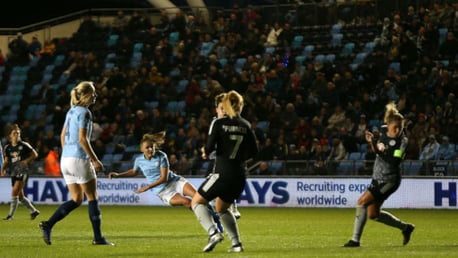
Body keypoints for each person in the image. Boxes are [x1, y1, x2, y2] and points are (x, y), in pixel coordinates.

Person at [39, 81, 113, 246]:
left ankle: (48, 224)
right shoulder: (85, 113)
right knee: (92, 196)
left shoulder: (71, 111)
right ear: (86, 95)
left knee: (77, 198)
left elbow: (62, 135)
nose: (95, 95)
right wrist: (94, 160)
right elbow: (82, 139)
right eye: (93, 93)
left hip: (65, 160)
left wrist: (67, 155)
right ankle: (98, 238)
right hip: (79, 159)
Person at [107, 131, 223, 229]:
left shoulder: (161, 156)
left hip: (175, 182)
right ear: (142, 149)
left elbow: (164, 178)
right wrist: (118, 175)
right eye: (147, 147)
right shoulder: (139, 160)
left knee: (198, 197)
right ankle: (210, 222)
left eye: (151, 147)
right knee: (187, 202)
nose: (150, 149)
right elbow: (134, 172)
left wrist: (147, 187)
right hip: (163, 192)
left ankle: (215, 217)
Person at [191, 90, 258, 253]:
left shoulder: (219, 123)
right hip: (239, 176)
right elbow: (254, 152)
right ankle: (236, 245)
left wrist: (205, 151)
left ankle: (213, 233)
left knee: (196, 201)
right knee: (221, 207)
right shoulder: (246, 125)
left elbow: (208, 147)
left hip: (222, 173)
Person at [343, 102, 415, 247]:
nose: (398, 131)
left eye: (400, 128)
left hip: (389, 180)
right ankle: (406, 228)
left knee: (361, 202)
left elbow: (394, 161)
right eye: (395, 127)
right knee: (373, 215)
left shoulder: (403, 142)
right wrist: (371, 142)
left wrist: (376, 147)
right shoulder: (382, 131)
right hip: (377, 177)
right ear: (387, 125)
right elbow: (376, 150)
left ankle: (355, 240)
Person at [209, 92, 242, 219]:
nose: (224, 111)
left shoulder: (233, 122)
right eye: (221, 108)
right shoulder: (215, 123)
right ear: (216, 109)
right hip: (216, 159)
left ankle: (231, 206)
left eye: (226, 108)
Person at [1, 123, 40, 220]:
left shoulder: (24, 145)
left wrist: (26, 161)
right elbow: (6, 160)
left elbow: (35, 154)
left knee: (14, 192)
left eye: (18, 133)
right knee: (20, 196)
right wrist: (2, 169)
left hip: (23, 171)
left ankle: (10, 216)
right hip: (14, 171)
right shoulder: (8, 148)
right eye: (14, 133)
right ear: (10, 135)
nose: (17, 135)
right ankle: (34, 211)